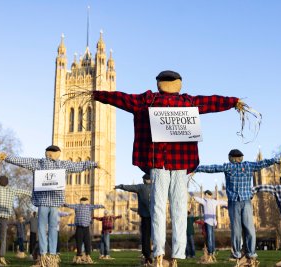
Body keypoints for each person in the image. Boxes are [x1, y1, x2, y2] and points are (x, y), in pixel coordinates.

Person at [92, 70, 241, 267]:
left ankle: (159, 254)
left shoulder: (148, 100)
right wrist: (233, 101)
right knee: (179, 208)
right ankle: (176, 255)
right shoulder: (188, 102)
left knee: (158, 208)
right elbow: (211, 102)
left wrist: (97, 94)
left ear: (158, 83)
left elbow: (121, 99)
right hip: (180, 163)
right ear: (179, 83)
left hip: (158, 162)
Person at [0, 145, 97, 267]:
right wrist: (94, 164)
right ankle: (52, 256)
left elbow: (21, 161)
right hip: (53, 203)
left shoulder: (38, 163)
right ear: (57, 153)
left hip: (43, 202)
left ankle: (43, 256)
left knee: (42, 229)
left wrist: (7, 157)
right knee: (53, 229)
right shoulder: (62, 165)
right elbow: (78, 166)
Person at [194, 149, 280, 267]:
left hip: (235, 202)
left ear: (231, 158)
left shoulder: (229, 167)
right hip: (245, 201)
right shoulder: (249, 165)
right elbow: (262, 163)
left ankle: (237, 253)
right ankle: (251, 252)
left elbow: (213, 168)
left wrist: (196, 168)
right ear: (240, 158)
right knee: (249, 228)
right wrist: (274, 160)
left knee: (236, 229)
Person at [115, 174, 152, 266]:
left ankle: (147, 256)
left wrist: (119, 186)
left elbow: (129, 187)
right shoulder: (156, 187)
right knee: (155, 236)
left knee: (145, 237)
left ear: (144, 180)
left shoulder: (140, 187)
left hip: (146, 216)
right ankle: (156, 254)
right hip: (156, 216)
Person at [63, 197, 104, 264]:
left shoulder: (88, 206)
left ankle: (87, 256)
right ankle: (79, 256)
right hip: (79, 227)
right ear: (82, 201)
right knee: (79, 242)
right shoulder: (78, 206)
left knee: (87, 242)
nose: (84, 203)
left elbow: (95, 206)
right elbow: (70, 205)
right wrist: (64, 204)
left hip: (86, 228)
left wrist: (101, 206)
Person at [191, 190, 227, 262]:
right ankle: (212, 252)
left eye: (205, 194)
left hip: (209, 221)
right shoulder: (212, 201)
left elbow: (198, 199)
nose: (204, 196)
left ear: (207, 194)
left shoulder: (206, 201)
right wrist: (227, 203)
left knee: (210, 238)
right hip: (212, 222)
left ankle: (211, 252)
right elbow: (222, 202)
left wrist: (194, 197)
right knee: (211, 238)